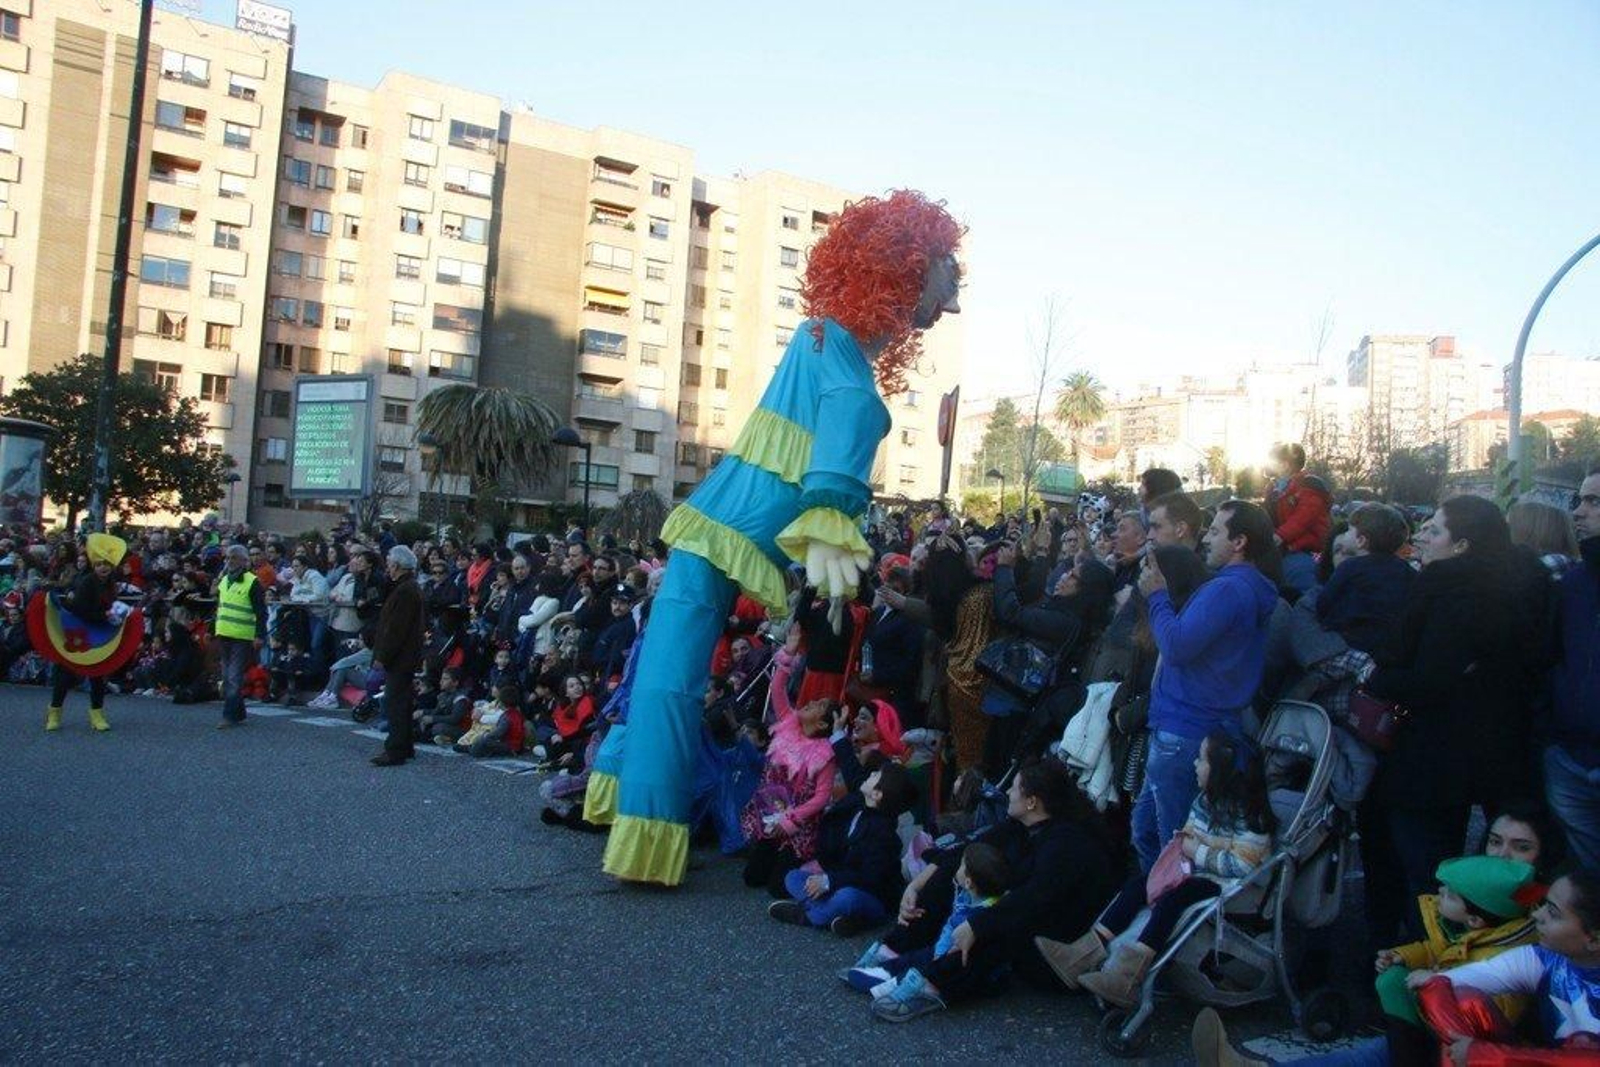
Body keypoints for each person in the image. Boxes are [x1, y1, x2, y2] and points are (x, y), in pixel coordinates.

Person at [604, 191, 963, 886]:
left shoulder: (825, 340)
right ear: (904, 263)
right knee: (668, 685)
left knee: (664, 679)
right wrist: (830, 548)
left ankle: (626, 810)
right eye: (950, 275)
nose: (952, 302)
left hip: (723, 519)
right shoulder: (832, 346)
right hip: (734, 524)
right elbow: (837, 447)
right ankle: (643, 836)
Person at [1365, 496, 1552, 916]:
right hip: (1499, 753)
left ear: (1462, 545)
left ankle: (1426, 961)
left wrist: (1376, 676)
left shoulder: (1450, 593)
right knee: (1496, 878)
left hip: (1434, 756)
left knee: (1432, 879)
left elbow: (1425, 678)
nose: (1421, 538)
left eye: (1434, 530)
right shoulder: (1521, 589)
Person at [863, 759, 1119, 1021]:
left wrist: (977, 926)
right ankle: (896, 950)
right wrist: (917, 885)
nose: (1007, 792)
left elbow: (1032, 901)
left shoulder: (1066, 844)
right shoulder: (1024, 825)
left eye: (1014, 788)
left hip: (1056, 949)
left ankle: (933, 984)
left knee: (992, 927)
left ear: (1032, 802)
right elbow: (968, 848)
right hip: (1029, 915)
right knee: (956, 875)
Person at [1041, 731, 1276, 1007]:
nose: (1194, 765)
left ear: (1222, 773)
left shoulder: (1251, 817)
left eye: (1201, 760)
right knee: (1139, 885)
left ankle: (1127, 975)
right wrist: (1187, 848)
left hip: (1229, 884)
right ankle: (1083, 952)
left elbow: (1242, 864)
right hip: (1195, 870)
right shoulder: (1205, 801)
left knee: (1173, 900)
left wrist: (1196, 851)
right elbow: (1190, 833)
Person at [1131, 500, 1278, 871]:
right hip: (1186, 725)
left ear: (1240, 541)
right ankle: (1152, 912)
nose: (1206, 539)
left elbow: (1177, 646)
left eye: (1215, 531)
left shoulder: (1228, 590)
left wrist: (1158, 597)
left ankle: (1168, 919)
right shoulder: (1240, 588)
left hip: (1185, 730)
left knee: (1174, 850)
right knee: (1144, 832)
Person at [1413, 870, 1600, 1065]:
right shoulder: (1545, 959)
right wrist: (1433, 983)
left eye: (1553, 913)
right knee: (1461, 999)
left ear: (1594, 939)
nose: (1536, 914)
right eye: (1543, 904)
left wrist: (1487, 1055)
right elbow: (1440, 984)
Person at [1374, 855, 1539, 1059]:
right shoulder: (1466, 928)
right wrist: (1402, 956)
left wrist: (1439, 978)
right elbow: (1435, 949)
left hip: (1470, 1039)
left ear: (1475, 920)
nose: (1440, 892)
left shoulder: (1505, 956)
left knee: (1394, 984)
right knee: (1391, 980)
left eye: (1451, 895)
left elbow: (1498, 1014)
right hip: (1443, 1020)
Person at [739, 634, 839, 895]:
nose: (811, 702)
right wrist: (788, 654)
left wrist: (791, 819)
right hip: (772, 814)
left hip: (800, 826)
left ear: (823, 724)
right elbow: (779, 690)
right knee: (752, 878)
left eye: (819, 705)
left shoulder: (825, 754)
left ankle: (811, 864)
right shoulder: (789, 723)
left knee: (778, 889)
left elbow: (821, 798)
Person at [845, 841, 1010, 999]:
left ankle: (895, 984)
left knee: (922, 968)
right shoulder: (968, 893)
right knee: (913, 958)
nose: (957, 869)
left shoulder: (984, 911)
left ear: (968, 882)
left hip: (952, 957)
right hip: (941, 946)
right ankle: (883, 971)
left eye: (961, 866)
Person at [768, 761, 916, 936]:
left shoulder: (884, 834)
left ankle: (809, 916)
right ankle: (845, 918)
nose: (870, 774)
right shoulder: (857, 804)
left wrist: (828, 881)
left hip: (871, 895)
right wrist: (824, 879)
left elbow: (869, 878)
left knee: (847, 897)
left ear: (876, 794)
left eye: (876, 775)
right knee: (793, 877)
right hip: (840, 881)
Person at [1547, 468, 1600, 871]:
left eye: (1594, 502)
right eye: (1578, 500)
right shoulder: (1573, 583)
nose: (1578, 513)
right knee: (1586, 886)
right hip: (1570, 759)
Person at [41, 533, 132, 732]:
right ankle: (54, 712)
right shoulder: (87, 582)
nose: (104, 568)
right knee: (65, 674)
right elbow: (81, 610)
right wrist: (106, 615)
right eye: (99, 564)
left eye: (107, 564)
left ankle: (97, 714)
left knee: (97, 674)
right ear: (93, 564)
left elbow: (107, 608)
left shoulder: (110, 583)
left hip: (97, 631)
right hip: (78, 631)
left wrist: (117, 612)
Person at [369, 546, 425, 767]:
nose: (388, 568)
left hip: (400, 656)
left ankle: (395, 750)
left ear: (397, 566)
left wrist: (382, 655)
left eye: (390, 564)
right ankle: (405, 745)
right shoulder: (409, 588)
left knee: (395, 702)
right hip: (407, 654)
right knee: (402, 701)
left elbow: (395, 629)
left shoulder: (405, 591)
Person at [1264, 443, 1332, 594]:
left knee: (1299, 575)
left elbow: (1302, 518)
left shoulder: (1308, 486)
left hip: (1306, 547)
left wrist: (1280, 535)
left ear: (1285, 465)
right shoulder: (1274, 488)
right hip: (1283, 546)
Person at [212, 543, 266, 729]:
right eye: (227, 558)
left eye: (234, 558)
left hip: (242, 636)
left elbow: (261, 611)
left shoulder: (252, 582)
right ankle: (239, 712)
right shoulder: (224, 580)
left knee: (233, 676)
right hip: (224, 633)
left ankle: (229, 716)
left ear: (244, 561)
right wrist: (213, 629)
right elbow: (220, 606)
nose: (229, 561)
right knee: (227, 676)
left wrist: (259, 635)